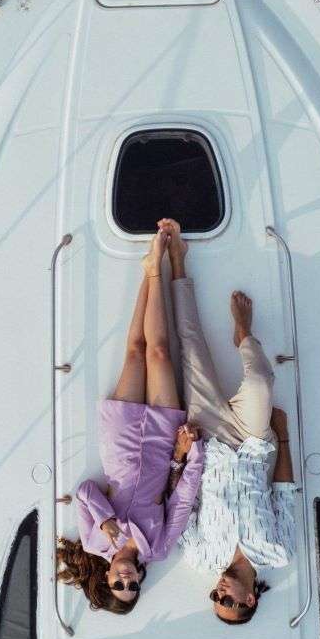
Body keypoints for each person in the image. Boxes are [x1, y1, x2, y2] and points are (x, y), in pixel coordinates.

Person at [57, 229, 205, 614]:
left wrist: (106, 521)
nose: (126, 578)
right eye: (132, 586)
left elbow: (86, 489)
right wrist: (195, 453)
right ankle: (155, 269)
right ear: (140, 580)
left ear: (105, 579)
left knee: (135, 352)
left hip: (120, 440)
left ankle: (149, 270)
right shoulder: (157, 547)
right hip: (160, 444)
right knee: (160, 353)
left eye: (118, 585)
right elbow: (183, 499)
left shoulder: (93, 542)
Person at [160, 218, 299, 626]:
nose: (220, 592)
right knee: (260, 381)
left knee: (191, 348)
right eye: (230, 601)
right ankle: (243, 335)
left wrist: (181, 455)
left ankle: (178, 262)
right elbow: (285, 493)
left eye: (215, 598)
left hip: (209, 442)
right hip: (255, 443)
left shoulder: (201, 556)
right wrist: (284, 438)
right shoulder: (279, 551)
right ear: (251, 600)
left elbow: (179, 502)